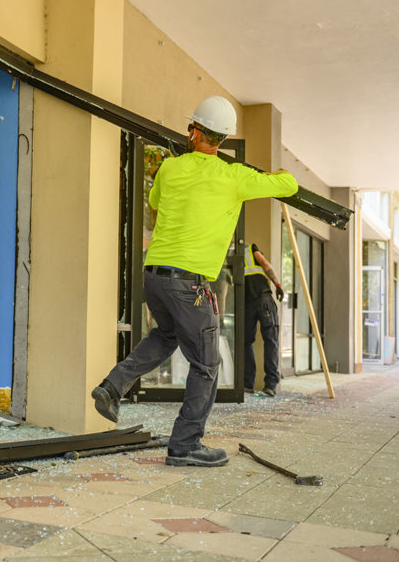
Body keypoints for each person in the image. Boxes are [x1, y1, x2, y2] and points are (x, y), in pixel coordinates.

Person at [91, 96, 298, 467]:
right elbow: (289, 186)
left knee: (165, 337)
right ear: (222, 138)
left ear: (195, 131)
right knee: (206, 365)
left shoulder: (170, 168)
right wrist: (274, 172)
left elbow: (154, 199)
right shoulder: (235, 177)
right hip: (189, 284)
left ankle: (112, 386)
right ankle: (185, 444)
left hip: (154, 275)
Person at [243, 242, 284, 396]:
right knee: (270, 340)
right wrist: (277, 284)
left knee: (245, 343)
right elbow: (265, 264)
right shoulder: (249, 247)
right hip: (263, 299)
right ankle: (270, 385)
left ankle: (247, 384)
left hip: (246, 304)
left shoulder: (224, 254)